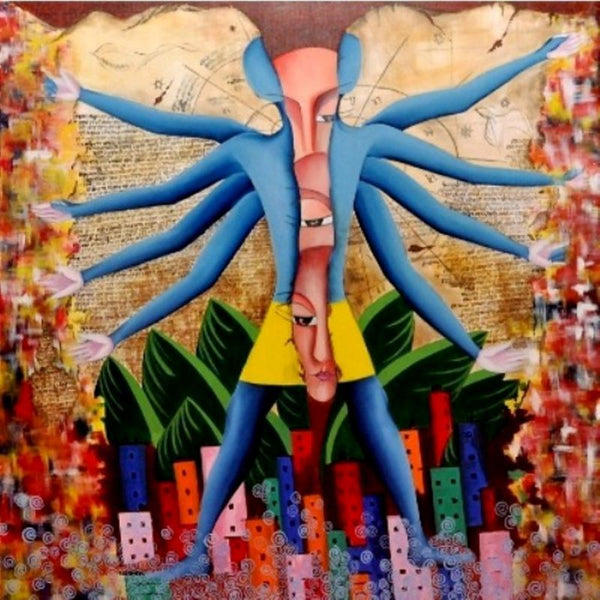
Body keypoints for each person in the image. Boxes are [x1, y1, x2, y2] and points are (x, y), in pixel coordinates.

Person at [37, 31, 583, 579]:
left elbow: (448, 179)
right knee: (243, 423)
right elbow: (175, 213)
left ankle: (416, 541)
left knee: (372, 414)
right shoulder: (250, 153)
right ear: (272, 96)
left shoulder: (361, 147)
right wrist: (91, 271)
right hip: (286, 316)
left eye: (323, 109)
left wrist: (527, 238)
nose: (307, 129)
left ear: (343, 93)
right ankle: (199, 550)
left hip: (336, 312)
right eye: (294, 107)